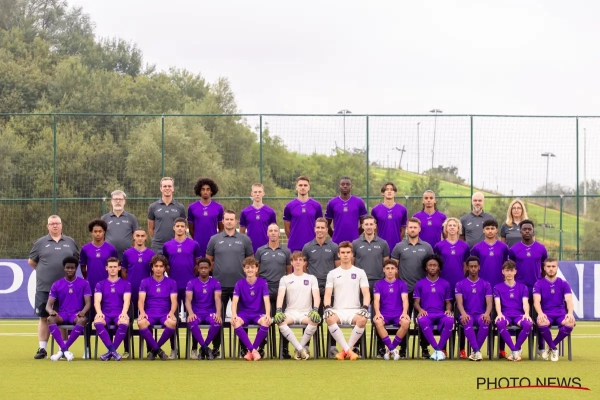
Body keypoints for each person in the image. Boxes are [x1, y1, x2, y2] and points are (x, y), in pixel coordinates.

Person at [28, 215, 79, 360]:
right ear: (47, 226)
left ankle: (63, 349)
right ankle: (42, 349)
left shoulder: (70, 242)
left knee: (61, 318)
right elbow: (32, 262)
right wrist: (44, 272)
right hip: (44, 288)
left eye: (57, 223)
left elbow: (75, 261)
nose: (55, 226)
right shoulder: (40, 243)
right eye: (52, 224)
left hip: (66, 290)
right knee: (44, 317)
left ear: (61, 225)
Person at [206, 209, 254, 357]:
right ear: (223, 221)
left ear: (236, 221)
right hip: (219, 287)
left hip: (240, 286)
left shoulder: (245, 239)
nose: (229, 222)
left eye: (232, 219)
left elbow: (250, 262)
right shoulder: (214, 239)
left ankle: (244, 348)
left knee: (241, 318)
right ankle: (216, 348)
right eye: (226, 219)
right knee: (217, 318)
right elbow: (208, 261)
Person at [390, 217, 434, 358]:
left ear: (419, 229)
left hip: (423, 292)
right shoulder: (399, 247)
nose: (413, 230)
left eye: (415, 227)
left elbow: (431, 268)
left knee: (423, 319)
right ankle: (403, 349)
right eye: (410, 227)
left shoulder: (427, 247)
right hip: (405, 291)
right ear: (407, 229)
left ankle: (425, 349)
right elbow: (394, 269)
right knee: (404, 319)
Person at [323, 242, 370, 361]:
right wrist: (327, 307)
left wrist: (365, 308)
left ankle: (344, 352)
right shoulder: (332, 273)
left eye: (348, 252)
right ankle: (349, 351)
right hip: (338, 310)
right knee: (329, 318)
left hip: (354, 310)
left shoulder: (360, 272)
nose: (345, 255)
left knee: (362, 320)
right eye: (343, 252)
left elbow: (366, 293)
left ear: (352, 254)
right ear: (338, 254)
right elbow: (327, 294)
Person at [163, 217, 202, 358]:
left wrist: (192, 277)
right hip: (173, 288)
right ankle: (174, 349)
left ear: (186, 228)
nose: (180, 228)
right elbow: (165, 265)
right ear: (174, 228)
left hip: (190, 287)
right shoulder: (167, 245)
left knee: (192, 317)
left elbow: (198, 264)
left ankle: (194, 349)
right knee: (172, 318)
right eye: (177, 226)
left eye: (182, 226)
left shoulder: (194, 244)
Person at [352, 214, 390, 357]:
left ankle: (380, 347)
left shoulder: (383, 244)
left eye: (371, 224)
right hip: (360, 285)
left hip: (378, 284)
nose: (368, 227)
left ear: (375, 226)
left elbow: (386, 265)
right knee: (359, 316)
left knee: (379, 317)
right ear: (362, 226)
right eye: (366, 224)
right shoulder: (355, 243)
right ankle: (356, 347)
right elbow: (352, 264)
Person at [273, 251, 321, 360]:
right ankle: (300, 349)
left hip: (306, 313)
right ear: (291, 262)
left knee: (315, 320)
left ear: (304, 262)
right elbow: (280, 296)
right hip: (291, 313)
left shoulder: (311, 278)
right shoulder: (285, 279)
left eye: (300, 260)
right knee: (280, 321)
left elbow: (316, 296)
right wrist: (279, 310)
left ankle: (298, 348)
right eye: (295, 260)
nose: (298, 262)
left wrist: (315, 310)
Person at [255, 223, 292, 357]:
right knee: (264, 320)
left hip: (280, 292)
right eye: (270, 230)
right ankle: (261, 347)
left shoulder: (286, 251)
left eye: (275, 230)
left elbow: (288, 272)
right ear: (267, 233)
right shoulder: (260, 251)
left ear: (279, 233)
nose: (273, 233)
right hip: (264, 292)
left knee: (282, 320)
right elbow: (256, 272)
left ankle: (284, 349)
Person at [46, 256, 91, 361]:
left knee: (82, 320)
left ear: (76, 268)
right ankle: (65, 350)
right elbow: (48, 305)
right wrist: (51, 311)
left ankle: (62, 351)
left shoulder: (84, 283)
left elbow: (88, 303)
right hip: (62, 314)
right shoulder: (57, 284)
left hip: (76, 314)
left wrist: (83, 312)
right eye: (67, 268)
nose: (70, 270)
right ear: (64, 268)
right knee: (50, 319)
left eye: (72, 268)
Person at [533, 258, 575, 362]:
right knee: (541, 322)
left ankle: (550, 347)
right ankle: (554, 349)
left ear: (557, 268)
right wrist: (540, 313)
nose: (551, 269)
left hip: (560, 313)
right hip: (546, 313)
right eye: (548, 266)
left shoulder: (564, 283)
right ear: (544, 268)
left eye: (553, 266)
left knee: (570, 322)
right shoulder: (539, 284)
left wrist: (570, 313)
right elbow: (536, 301)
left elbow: (569, 300)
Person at [137, 255, 178, 361]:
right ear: (152, 267)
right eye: (156, 266)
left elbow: (174, 301)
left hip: (165, 314)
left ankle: (154, 350)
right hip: (149, 314)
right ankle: (159, 351)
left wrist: (172, 312)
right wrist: (142, 312)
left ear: (164, 268)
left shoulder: (171, 282)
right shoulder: (145, 282)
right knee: (141, 323)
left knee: (172, 323)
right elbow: (141, 300)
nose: (158, 269)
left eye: (161, 266)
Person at [413, 254, 454, 361]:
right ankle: (438, 350)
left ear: (439, 267)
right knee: (422, 320)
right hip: (427, 313)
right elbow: (416, 302)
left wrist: (448, 310)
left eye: (434, 265)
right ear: (426, 267)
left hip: (440, 314)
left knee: (450, 320)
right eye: (430, 265)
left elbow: (448, 302)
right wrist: (420, 310)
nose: (432, 267)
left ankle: (437, 350)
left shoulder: (445, 284)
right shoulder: (420, 284)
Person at [231, 257, 272, 361]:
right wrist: (234, 314)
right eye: (248, 267)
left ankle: (250, 352)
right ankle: (253, 351)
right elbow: (234, 301)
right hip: (244, 314)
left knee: (266, 322)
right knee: (235, 322)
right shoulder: (239, 283)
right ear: (244, 269)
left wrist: (267, 314)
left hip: (258, 314)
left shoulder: (263, 283)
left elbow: (266, 301)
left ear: (256, 269)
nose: (250, 270)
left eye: (252, 267)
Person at [493, 260, 533, 362]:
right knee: (499, 322)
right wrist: (499, 314)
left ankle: (515, 350)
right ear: (503, 272)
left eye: (511, 270)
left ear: (515, 271)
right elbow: (497, 303)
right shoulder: (497, 287)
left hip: (519, 315)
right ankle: (515, 350)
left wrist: (527, 313)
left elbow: (525, 302)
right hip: (505, 315)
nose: (509, 273)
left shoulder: (523, 287)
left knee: (528, 324)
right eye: (507, 270)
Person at [455, 256, 493, 361]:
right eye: (471, 266)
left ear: (479, 267)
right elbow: (459, 303)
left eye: (475, 266)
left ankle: (475, 351)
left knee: (485, 321)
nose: (473, 269)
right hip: (467, 313)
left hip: (481, 314)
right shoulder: (460, 284)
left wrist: (487, 313)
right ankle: (477, 351)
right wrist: (463, 313)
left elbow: (489, 303)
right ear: (467, 267)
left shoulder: (486, 284)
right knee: (466, 320)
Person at [93, 257, 131, 361]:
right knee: (97, 322)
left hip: (119, 312)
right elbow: (97, 301)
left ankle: (110, 352)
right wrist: (99, 312)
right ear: (106, 268)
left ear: (119, 268)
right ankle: (113, 352)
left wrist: (124, 313)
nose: (113, 269)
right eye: (110, 267)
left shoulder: (126, 284)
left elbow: (127, 300)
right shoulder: (100, 284)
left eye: (115, 267)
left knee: (124, 321)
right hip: (105, 313)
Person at [185, 258, 222, 361]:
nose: (203, 270)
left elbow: (218, 299)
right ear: (198, 269)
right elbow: (188, 300)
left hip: (210, 312)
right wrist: (190, 313)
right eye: (201, 268)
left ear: (210, 268)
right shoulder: (191, 283)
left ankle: (203, 348)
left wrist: (218, 313)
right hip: (197, 313)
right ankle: (206, 348)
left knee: (217, 322)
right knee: (192, 321)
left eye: (206, 268)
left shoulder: (215, 282)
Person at [372, 259, 410, 361]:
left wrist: (404, 313)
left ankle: (390, 349)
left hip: (398, 314)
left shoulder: (402, 284)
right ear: (383, 270)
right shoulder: (378, 284)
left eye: (392, 268)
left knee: (406, 322)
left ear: (396, 270)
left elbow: (405, 299)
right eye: (387, 268)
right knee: (378, 322)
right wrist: (378, 313)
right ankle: (393, 349)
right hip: (384, 314)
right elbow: (376, 300)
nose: (390, 271)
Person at [80, 219, 118, 301]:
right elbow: (83, 267)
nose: (98, 234)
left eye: (100, 231)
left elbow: (115, 268)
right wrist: (88, 278)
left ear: (104, 232)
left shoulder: (111, 249)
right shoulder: (85, 249)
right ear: (92, 232)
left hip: (107, 284)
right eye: (95, 231)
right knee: (92, 305)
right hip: (91, 284)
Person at [283, 176, 323, 252]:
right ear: (296, 187)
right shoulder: (289, 206)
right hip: (294, 247)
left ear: (309, 187)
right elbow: (287, 229)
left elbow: (320, 227)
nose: (303, 187)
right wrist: (294, 239)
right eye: (300, 185)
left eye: (305, 185)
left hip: (313, 247)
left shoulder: (316, 206)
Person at [148, 177, 186, 254]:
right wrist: (157, 240)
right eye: (165, 186)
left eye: (169, 186)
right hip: (158, 246)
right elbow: (150, 228)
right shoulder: (153, 207)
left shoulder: (180, 207)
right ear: (161, 188)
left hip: (175, 245)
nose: (167, 188)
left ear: (173, 188)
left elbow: (183, 227)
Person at [434, 217, 471, 297]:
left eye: (454, 225)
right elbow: (436, 265)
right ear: (446, 228)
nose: (452, 227)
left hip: (459, 282)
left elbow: (465, 265)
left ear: (458, 229)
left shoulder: (464, 246)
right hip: (443, 282)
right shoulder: (439, 246)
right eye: (449, 225)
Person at [509, 220, 548, 295]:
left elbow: (544, 268)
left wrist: (541, 283)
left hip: (537, 287)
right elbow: (511, 269)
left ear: (533, 232)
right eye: (524, 229)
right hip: (519, 287)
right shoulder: (513, 249)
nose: (527, 231)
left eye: (529, 229)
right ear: (520, 232)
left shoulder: (541, 248)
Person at [188, 177, 224, 257]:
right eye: (203, 189)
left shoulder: (218, 207)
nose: (205, 192)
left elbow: (221, 229)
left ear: (211, 191)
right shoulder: (192, 207)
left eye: (208, 189)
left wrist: (216, 241)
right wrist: (197, 239)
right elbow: (191, 229)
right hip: (198, 246)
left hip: (213, 246)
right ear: (199, 191)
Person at [325, 177, 367, 244]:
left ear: (351, 186)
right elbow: (326, 224)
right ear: (339, 186)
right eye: (343, 184)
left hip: (354, 243)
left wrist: (356, 235)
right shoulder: (332, 203)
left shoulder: (359, 202)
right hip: (337, 242)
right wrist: (334, 236)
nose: (345, 186)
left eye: (347, 184)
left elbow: (364, 224)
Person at [470, 219, 509, 290]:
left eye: (492, 228)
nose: (490, 231)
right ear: (483, 230)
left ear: (496, 230)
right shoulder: (476, 248)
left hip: (500, 283)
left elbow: (506, 265)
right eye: (487, 228)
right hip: (482, 284)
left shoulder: (504, 247)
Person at [240, 183, 277, 253]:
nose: (257, 194)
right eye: (255, 192)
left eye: (260, 192)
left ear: (263, 193)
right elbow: (242, 232)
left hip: (267, 249)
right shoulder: (245, 212)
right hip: (250, 249)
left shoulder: (270, 212)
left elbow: (274, 232)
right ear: (251, 193)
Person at [101, 190, 138, 260]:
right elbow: (101, 237)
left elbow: (136, 237)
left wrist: (134, 252)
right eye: (115, 199)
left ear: (124, 201)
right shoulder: (104, 218)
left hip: (127, 256)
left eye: (120, 199)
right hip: (109, 257)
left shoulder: (132, 218)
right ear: (111, 201)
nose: (118, 201)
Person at [371, 182, 407, 251]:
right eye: (387, 189)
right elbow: (374, 229)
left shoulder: (402, 209)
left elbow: (403, 228)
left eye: (391, 189)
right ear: (382, 193)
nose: (389, 191)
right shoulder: (375, 210)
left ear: (395, 193)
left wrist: (398, 241)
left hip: (396, 247)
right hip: (380, 248)